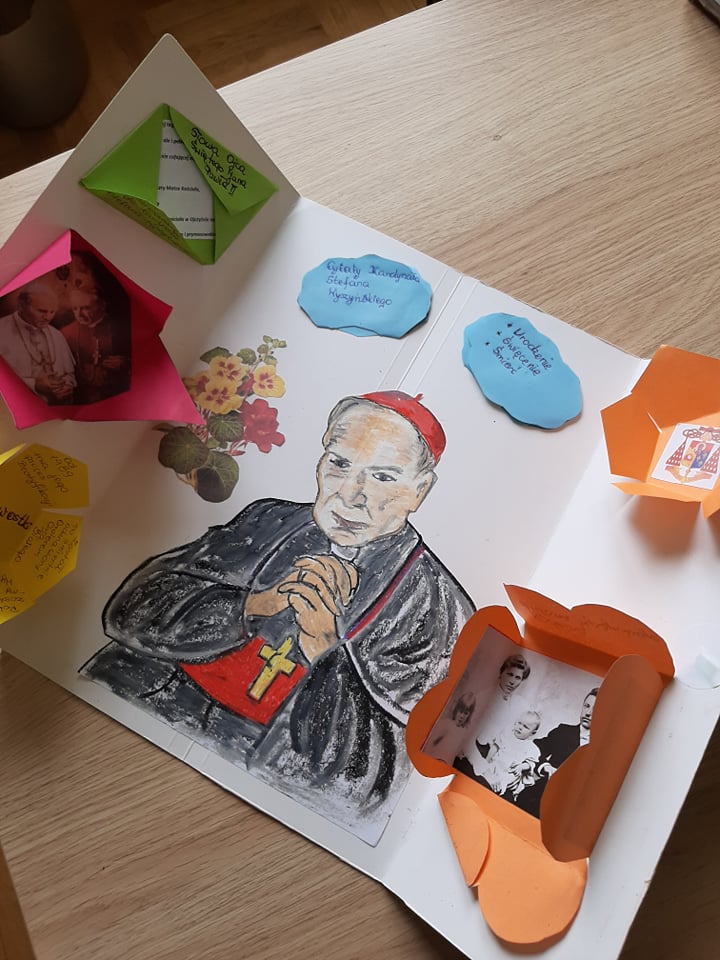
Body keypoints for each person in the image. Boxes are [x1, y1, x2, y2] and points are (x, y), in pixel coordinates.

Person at [82, 390, 474, 840]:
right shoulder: (267, 519)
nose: (351, 494)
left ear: (419, 491)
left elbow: (381, 775)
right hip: (140, 706)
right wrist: (253, 604)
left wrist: (324, 649)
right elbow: (130, 610)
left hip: (263, 776)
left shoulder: (439, 607)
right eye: (339, 464)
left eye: (383, 477)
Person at [514, 687, 599, 817]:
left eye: (596, 709)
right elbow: (534, 748)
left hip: (569, 810)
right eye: (586, 706)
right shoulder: (563, 731)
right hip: (539, 797)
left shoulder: (602, 750)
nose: (588, 713)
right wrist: (545, 767)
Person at [454, 653, 531, 778]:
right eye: (509, 674)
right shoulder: (480, 698)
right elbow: (466, 741)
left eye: (518, 678)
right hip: (474, 755)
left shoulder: (521, 705)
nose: (512, 681)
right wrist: (484, 769)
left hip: (500, 761)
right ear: (501, 674)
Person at [0, 282, 76, 403]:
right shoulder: (2, 330)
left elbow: (69, 374)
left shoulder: (56, 334)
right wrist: (34, 384)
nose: (48, 317)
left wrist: (66, 386)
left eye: (52, 312)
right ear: (21, 306)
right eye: (42, 311)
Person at [61, 288, 130, 404]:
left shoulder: (121, 328)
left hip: (116, 397)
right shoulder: (66, 333)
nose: (79, 314)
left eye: (85, 308)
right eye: (75, 308)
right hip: (81, 398)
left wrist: (126, 362)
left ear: (101, 306)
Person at [469, 710, 542, 798]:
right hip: (497, 763)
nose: (520, 728)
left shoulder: (530, 747)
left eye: (525, 727)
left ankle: (498, 788)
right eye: (519, 723)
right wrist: (487, 760)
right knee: (486, 770)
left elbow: (530, 764)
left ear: (532, 733)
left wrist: (521, 767)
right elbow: (495, 747)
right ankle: (486, 784)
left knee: (508, 778)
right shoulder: (507, 734)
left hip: (511, 770)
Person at [424, 692, 477, 765]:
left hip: (447, 764)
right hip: (435, 759)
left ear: (469, 715)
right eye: (461, 711)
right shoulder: (446, 724)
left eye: (466, 713)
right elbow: (430, 742)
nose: (462, 716)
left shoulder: (464, 732)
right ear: (456, 710)